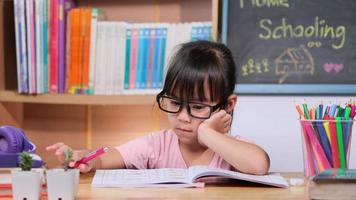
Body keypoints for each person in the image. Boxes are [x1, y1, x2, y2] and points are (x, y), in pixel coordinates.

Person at [46, 41, 270, 175]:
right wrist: (85, 159)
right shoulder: (158, 145)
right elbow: (108, 157)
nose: (182, 117)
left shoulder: (229, 150)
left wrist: (206, 133)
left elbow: (258, 164)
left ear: (228, 105)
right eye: (174, 103)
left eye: (198, 107)